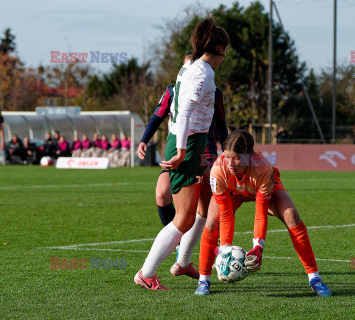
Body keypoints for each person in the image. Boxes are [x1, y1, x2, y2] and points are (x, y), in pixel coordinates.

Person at [134, 17, 229, 291]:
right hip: (185, 143)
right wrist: (184, 151)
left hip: (191, 143)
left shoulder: (191, 66)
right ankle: (147, 273)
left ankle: (183, 262)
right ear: (219, 49)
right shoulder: (204, 72)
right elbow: (185, 111)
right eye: (224, 52)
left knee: (204, 204)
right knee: (184, 218)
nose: (224, 58)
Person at [194, 130, 332, 297]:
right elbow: (226, 214)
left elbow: (260, 213)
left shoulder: (263, 168)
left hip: (258, 190)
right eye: (227, 156)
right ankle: (204, 280)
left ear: (250, 155)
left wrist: (258, 248)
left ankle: (315, 279)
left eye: (237, 157)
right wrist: (224, 249)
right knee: (211, 222)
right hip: (232, 193)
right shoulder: (218, 169)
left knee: (291, 215)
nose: (230, 162)